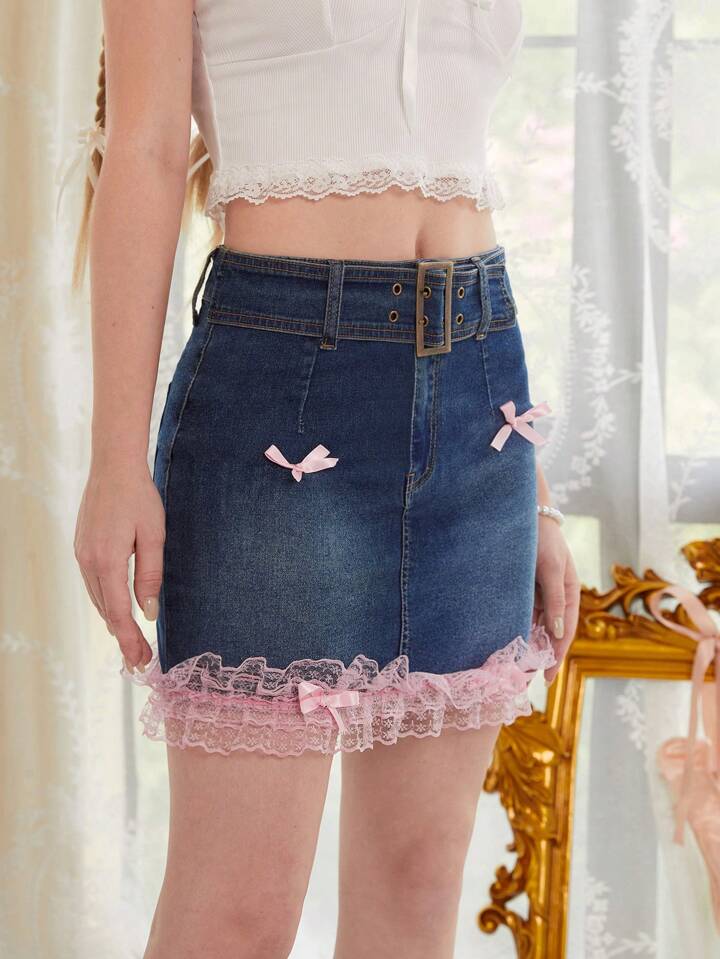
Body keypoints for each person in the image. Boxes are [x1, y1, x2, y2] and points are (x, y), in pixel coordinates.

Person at [69, 1, 580, 957]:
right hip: (281, 389)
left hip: (481, 395)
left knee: (419, 882)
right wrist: (113, 464)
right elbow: (145, 149)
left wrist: (538, 492)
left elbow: (452, 152)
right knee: (236, 913)